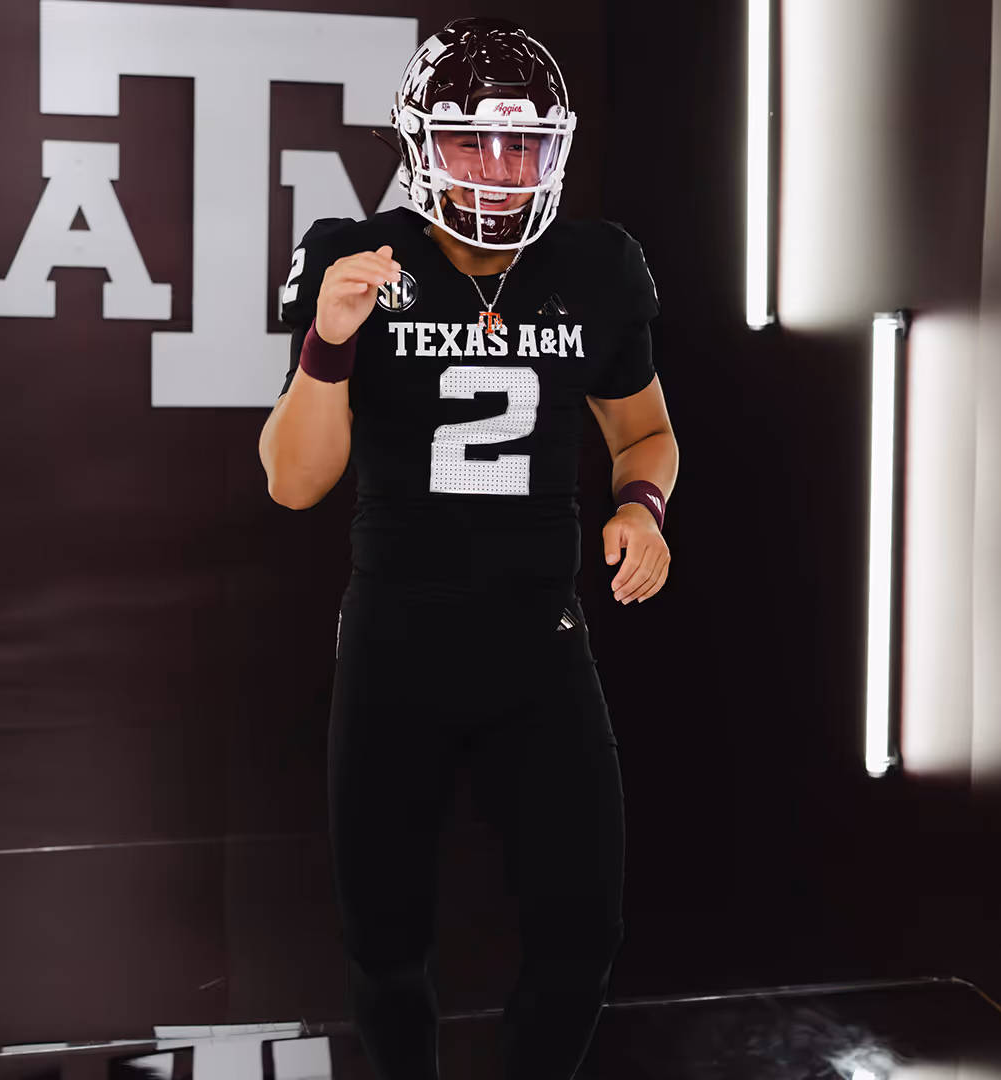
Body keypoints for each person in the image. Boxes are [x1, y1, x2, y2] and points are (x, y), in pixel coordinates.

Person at [257, 17, 678, 1080]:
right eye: (471, 143)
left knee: (583, 935)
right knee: (386, 949)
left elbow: (645, 433)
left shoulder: (597, 267)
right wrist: (330, 341)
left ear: (555, 152)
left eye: (522, 146)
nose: (498, 169)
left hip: (542, 643)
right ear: (420, 144)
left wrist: (643, 509)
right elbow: (294, 479)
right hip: (398, 645)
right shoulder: (359, 258)